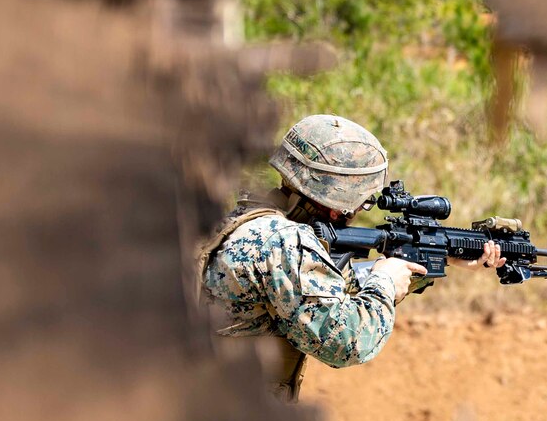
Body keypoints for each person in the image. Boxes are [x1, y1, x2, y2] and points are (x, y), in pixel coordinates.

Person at [197, 114, 505, 402]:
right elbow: (347, 341)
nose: (359, 211)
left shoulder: (250, 219)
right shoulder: (287, 242)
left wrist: (428, 261)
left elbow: (323, 290)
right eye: (363, 203)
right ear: (338, 206)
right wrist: (384, 282)